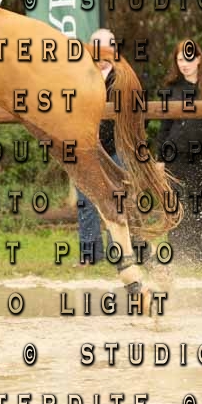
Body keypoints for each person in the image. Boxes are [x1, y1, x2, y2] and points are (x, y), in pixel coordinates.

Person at [154, 39, 202, 263]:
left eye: (188, 59)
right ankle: (180, 253)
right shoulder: (171, 88)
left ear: (198, 59)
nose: (184, 64)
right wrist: (160, 158)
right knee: (177, 203)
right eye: (180, 59)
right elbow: (164, 126)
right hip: (176, 155)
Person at [75, 27, 119, 264]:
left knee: (116, 201)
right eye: (96, 48)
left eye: (105, 48)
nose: (100, 54)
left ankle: (118, 252)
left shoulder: (123, 77)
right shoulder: (79, 74)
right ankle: (90, 254)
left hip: (116, 151)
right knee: (86, 202)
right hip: (85, 150)